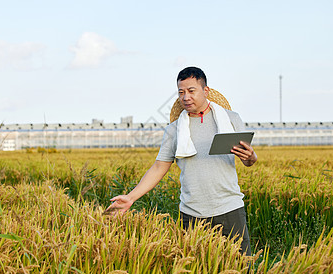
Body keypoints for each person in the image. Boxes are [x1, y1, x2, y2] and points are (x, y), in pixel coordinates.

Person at [105, 66, 257, 255]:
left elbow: (249, 160)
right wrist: (130, 197)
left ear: (205, 91)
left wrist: (251, 157)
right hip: (192, 214)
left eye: (191, 91)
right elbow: (159, 167)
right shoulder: (174, 130)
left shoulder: (231, 119)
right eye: (181, 92)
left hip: (229, 208)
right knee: (197, 273)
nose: (186, 97)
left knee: (243, 268)